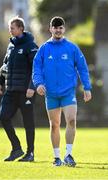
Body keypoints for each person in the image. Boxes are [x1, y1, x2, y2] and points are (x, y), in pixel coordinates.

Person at [32, 16, 92, 166]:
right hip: (51, 94)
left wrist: (87, 87)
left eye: (60, 28)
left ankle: (68, 155)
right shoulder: (44, 49)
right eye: (55, 27)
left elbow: (83, 68)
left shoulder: (72, 48)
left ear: (63, 29)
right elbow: (36, 68)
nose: (58, 30)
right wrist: (39, 84)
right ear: (50, 29)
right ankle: (57, 157)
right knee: (54, 125)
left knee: (71, 120)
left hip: (68, 92)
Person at [0, 16, 38, 162]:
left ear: (20, 28)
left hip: (26, 92)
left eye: (12, 27)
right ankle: (16, 149)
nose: (10, 30)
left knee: (28, 122)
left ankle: (30, 153)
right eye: (9, 27)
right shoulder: (11, 46)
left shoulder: (31, 45)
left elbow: (36, 69)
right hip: (11, 90)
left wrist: (32, 87)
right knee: (3, 117)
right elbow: (4, 66)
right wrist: (0, 82)